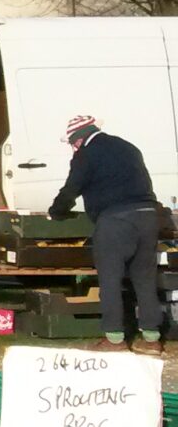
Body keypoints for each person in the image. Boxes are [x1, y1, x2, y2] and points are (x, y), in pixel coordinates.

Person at [52, 114, 165, 352]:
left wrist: (56, 212)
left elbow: (71, 188)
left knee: (110, 279)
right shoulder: (128, 147)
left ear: (78, 139)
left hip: (115, 220)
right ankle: (152, 338)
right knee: (145, 279)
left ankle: (114, 338)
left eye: (72, 143)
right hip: (147, 216)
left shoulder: (86, 154)